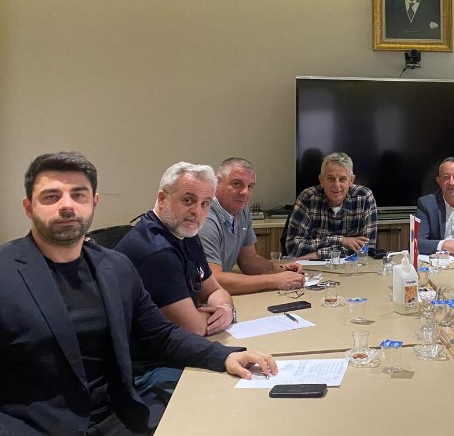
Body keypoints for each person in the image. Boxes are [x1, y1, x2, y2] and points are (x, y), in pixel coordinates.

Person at [0, 152, 276, 435]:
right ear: (28, 207)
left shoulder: (116, 267)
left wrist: (223, 356)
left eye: (78, 195)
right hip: (34, 426)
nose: (67, 205)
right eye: (51, 196)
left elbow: (161, 335)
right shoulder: (5, 273)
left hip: (115, 417)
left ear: (93, 203)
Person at [114, 161, 237, 411]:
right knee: (229, 393)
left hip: (171, 351)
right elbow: (194, 328)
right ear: (162, 198)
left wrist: (225, 309)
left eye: (205, 204)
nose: (197, 212)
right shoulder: (154, 250)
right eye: (188, 200)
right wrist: (212, 313)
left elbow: (215, 290)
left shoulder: (186, 234)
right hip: (146, 369)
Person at [199, 157, 305, 295]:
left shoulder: (242, 210)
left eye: (250, 186)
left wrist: (281, 269)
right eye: (237, 184)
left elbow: (249, 260)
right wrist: (274, 280)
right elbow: (212, 280)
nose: (245, 192)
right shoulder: (205, 217)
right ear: (217, 182)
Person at [284, 152, 378, 259]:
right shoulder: (307, 198)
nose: (336, 185)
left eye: (342, 179)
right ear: (321, 180)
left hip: (349, 265)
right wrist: (341, 240)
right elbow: (293, 247)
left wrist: (317, 254)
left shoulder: (365, 197)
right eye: (331, 179)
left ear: (351, 180)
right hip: (311, 266)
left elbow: (367, 249)